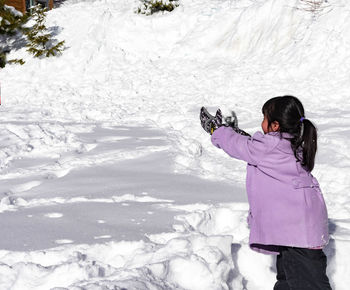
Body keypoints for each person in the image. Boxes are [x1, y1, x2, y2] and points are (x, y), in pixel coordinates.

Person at [200, 96, 332, 289]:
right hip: (300, 230)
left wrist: (218, 130)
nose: (261, 122)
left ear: (275, 125)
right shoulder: (294, 144)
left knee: (307, 285)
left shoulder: (269, 148)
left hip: (296, 233)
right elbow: (255, 147)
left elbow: (240, 146)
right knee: (288, 281)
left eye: (264, 118)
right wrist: (237, 132)